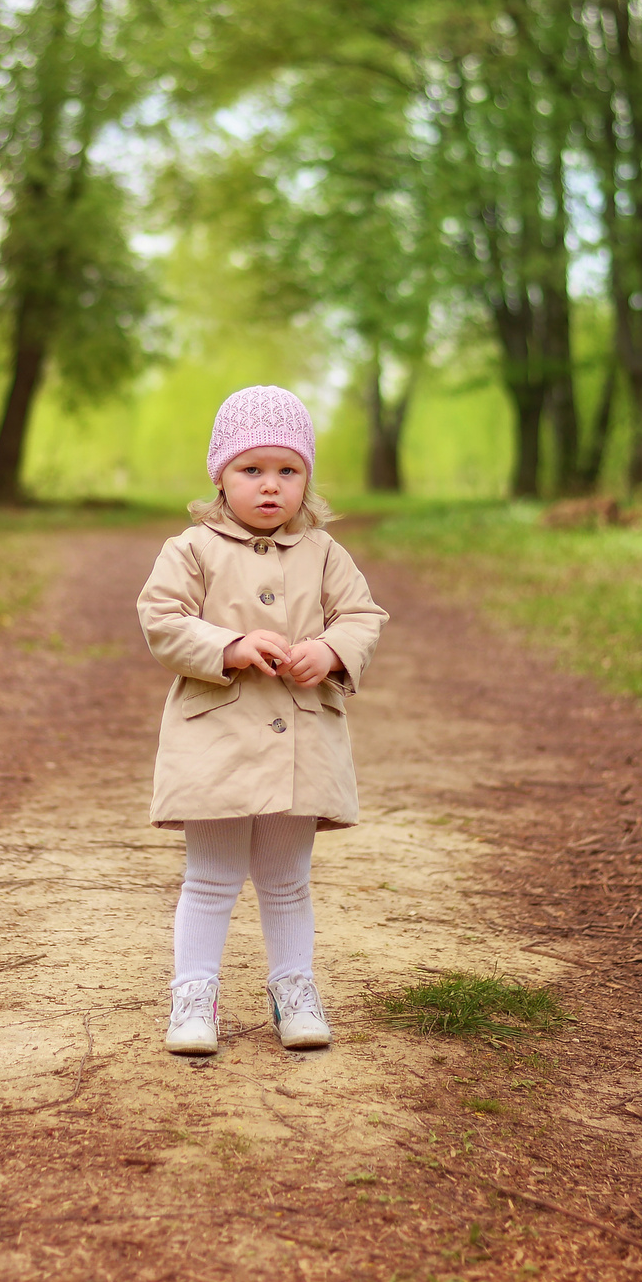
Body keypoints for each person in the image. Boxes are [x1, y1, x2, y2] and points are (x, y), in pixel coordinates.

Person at [135, 385, 388, 1056]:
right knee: (211, 876)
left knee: (286, 879)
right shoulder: (191, 548)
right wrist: (229, 645)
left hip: (301, 740)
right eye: (252, 470)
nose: (270, 486)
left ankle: (294, 988)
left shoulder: (326, 553)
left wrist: (332, 649)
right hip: (214, 738)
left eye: (288, 470)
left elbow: (362, 616)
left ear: (307, 478)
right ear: (220, 473)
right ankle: (194, 994)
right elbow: (162, 620)